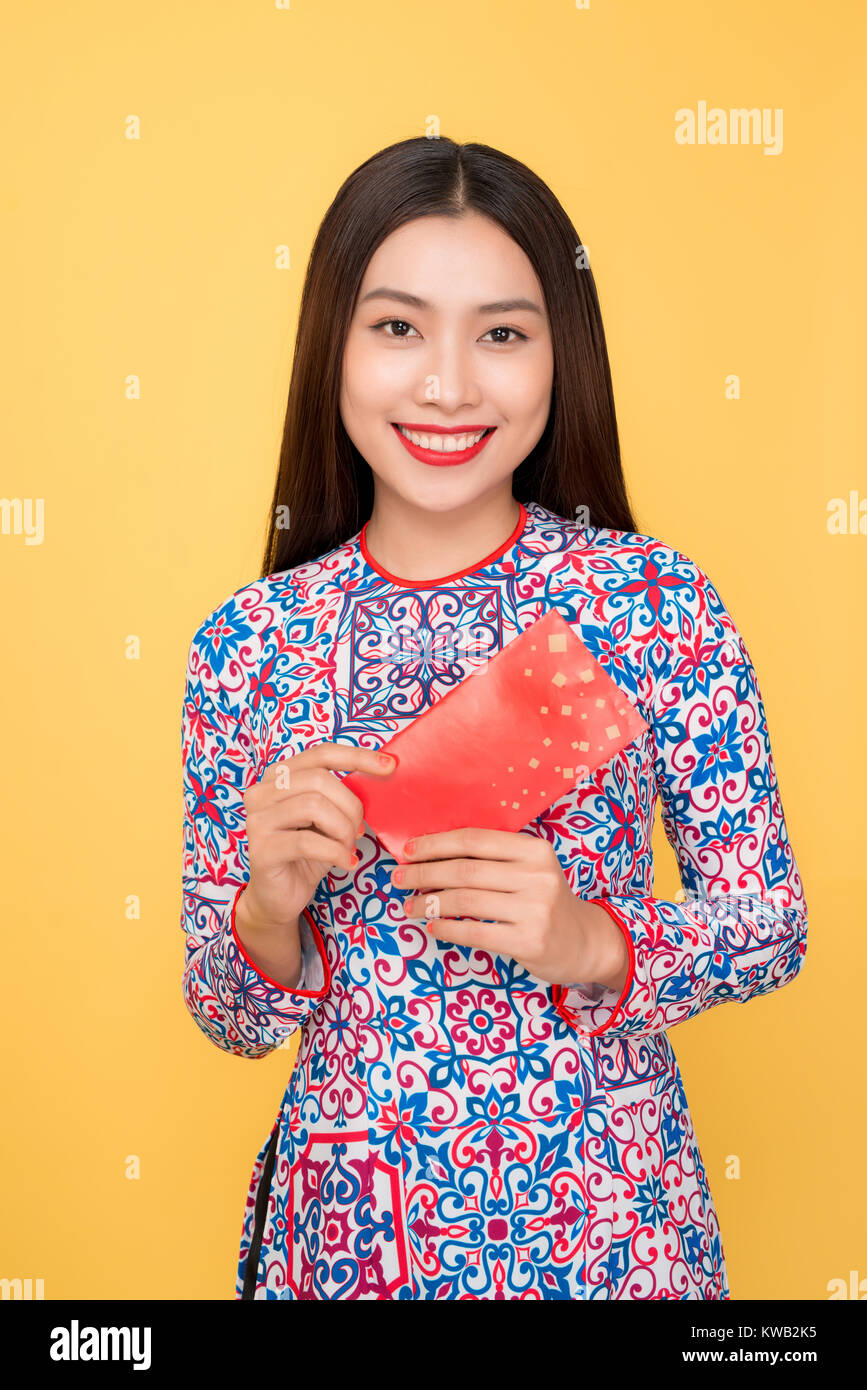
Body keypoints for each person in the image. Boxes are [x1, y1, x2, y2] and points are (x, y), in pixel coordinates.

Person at [179, 136, 807, 1300]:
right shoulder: (248, 645)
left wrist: (594, 941)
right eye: (400, 327)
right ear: (336, 345)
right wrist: (265, 902)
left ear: (562, 354)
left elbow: (771, 924)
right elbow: (229, 1012)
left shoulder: (653, 604)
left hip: (613, 1235)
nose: (450, 385)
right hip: (352, 1234)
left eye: (503, 333)